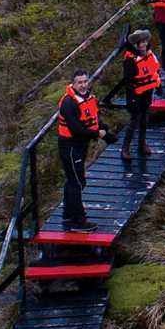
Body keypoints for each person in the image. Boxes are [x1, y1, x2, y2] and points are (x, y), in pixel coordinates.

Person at [55, 69, 105, 230]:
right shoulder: (68, 103)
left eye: (85, 81)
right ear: (73, 84)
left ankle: (68, 215)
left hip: (80, 145)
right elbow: (76, 129)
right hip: (70, 146)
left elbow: (94, 119)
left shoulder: (88, 98)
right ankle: (78, 221)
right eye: (79, 82)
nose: (83, 85)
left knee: (73, 180)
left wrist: (104, 131)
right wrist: (97, 133)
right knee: (77, 181)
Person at [104, 29, 161, 171]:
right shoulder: (130, 59)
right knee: (134, 121)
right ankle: (125, 148)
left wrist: (158, 86)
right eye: (141, 42)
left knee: (144, 119)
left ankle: (142, 144)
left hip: (148, 92)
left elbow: (155, 71)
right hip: (136, 95)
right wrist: (132, 99)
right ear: (135, 44)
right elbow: (129, 82)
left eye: (145, 41)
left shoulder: (149, 54)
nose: (143, 44)